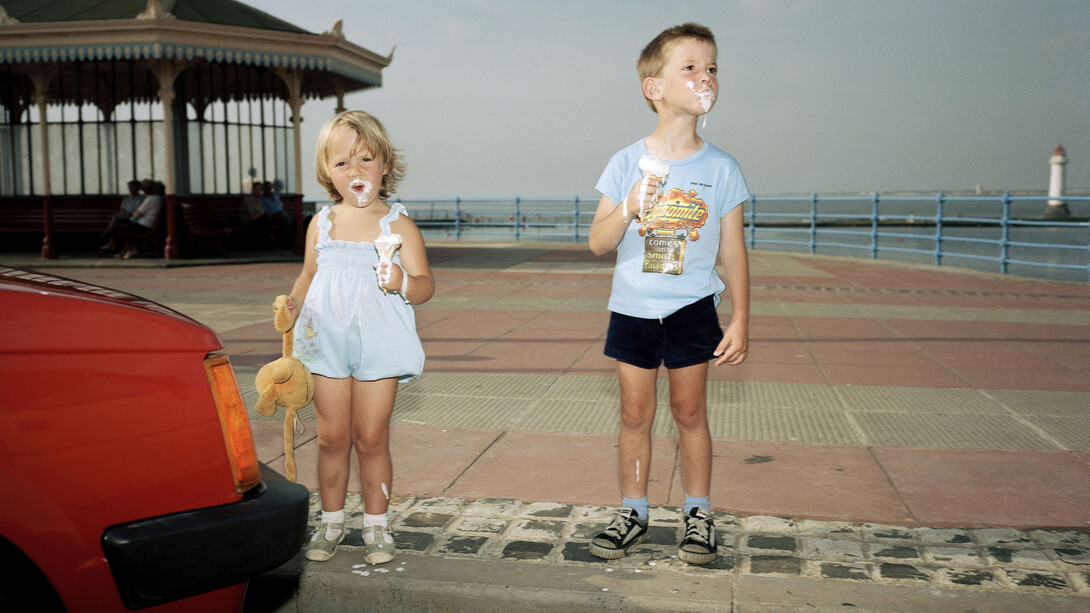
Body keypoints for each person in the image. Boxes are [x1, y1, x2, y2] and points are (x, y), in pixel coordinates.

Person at [586, 23, 750, 565]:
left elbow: (733, 249)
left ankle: (697, 511)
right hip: (632, 307)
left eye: (712, 68)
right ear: (653, 87)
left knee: (689, 411)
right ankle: (633, 510)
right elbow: (597, 242)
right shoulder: (624, 162)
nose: (705, 77)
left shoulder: (721, 168)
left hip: (692, 308)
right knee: (635, 413)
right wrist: (630, 204)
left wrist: (741, 318)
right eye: (691, 67)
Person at [284, 110, 434, 564]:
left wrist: (401, 282)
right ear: (327, 171)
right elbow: (309, 275)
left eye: (365, 159)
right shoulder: (321, 224)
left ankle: (376, 525)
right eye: (342, 163)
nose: (356, 172)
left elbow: (425, 285)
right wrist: (289, 308)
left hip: (379, 344)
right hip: (325, 343)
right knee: (331, 438)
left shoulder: (399, 226)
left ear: (385, 165)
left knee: (371, 438)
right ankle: (330, 522)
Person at [103, 179, 164, 258]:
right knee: (121, 221)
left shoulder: (150, 200)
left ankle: (119, 249)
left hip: (143, 227)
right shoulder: (158, 199)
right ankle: (118, 245)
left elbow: (136, 215)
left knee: (116, 228)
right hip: (147, 225)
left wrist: (134, 214)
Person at [99, 180, 145, 250]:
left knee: (116, 220)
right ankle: (111, 241)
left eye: (133, 187)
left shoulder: (142, 198)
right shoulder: (126, 199)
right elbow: (122, 209)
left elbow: (142, 210)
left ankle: (108, 235)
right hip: (126, 217)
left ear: (138, 188)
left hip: (136, 218)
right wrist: (125, 213)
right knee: (117, 219)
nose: (130, 189)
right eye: (129, 187)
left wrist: (132, 214)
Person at [261, 180, 294, 247]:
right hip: (272, 217)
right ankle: (289, 242)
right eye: (267, 188)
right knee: (287, 220)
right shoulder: (262, 199)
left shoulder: (275, 195)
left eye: (270, 188)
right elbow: (264, 211)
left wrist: (284, 212)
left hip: (282, 214)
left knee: (294, 219)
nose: (269, 190)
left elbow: (281, 206)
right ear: (264, 189)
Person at [239, 180, 271, 248]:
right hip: (247, 222)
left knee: (266, 218)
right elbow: (251, 215)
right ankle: (266, 241)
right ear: (253, 189)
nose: (258, 191)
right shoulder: (248, 199)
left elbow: (261, 213)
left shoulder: (259, 200)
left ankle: (266, 242)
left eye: (260, 189)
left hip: (256, 221)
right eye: (257, 189)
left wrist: (258, 214)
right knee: (264, 219)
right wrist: (259, 214)